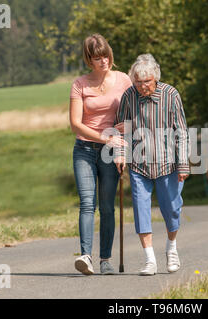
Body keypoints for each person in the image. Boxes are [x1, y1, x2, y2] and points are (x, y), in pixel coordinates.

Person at [114, 54, 189, 276]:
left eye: (146, 82)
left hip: (168, 163)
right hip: (139, 164)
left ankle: (171, 248)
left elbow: (181, 131)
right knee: (140, 210)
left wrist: (183, 163)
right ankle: (149, 260)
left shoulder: (171, 94)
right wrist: (119, 154)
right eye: (138, 82)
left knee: (172, 209)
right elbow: (120, 129)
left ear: (155, 78)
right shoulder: (129, 96)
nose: (142, 87)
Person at [70, 34, 132, 275]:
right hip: (84, 150)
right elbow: (75, 124)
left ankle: (105, 260)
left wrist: (122, 146)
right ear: (89, 60)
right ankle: (86, 256)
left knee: (107, 207)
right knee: (87, 204)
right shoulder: (80, 84)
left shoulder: (124, 80)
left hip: (112, 152)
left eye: (105, 55)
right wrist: (105, 137)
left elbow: (131, 114)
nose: (104, 60)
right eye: (98, 57)